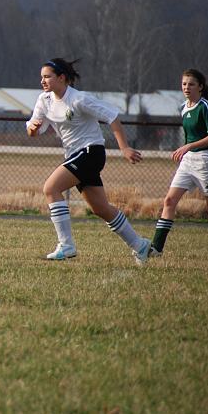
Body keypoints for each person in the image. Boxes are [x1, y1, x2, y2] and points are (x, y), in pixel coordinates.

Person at [26, 58, 152, 264]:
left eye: (47, 76)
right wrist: (33, 129)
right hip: (75, 155)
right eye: (41, 77)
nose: (43, 81)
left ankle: (66, 245)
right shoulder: (44, 100)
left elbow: (112, 117)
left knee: (51, 188)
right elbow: (34, 129)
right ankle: (140, 245)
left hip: (91, 152)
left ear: (62, 78)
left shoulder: (79, 99)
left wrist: (124, 148)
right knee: (101, 209)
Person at [151, 68, 208, 253]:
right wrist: (186, 150)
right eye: (184, 84)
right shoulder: (183, 107)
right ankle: (156, 249)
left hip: (205, 160)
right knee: (169, 201)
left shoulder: (204, 106)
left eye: (191, 84)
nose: (186, 87)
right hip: (188, 162)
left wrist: (187, 146)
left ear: (201, 87)